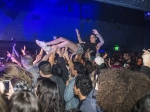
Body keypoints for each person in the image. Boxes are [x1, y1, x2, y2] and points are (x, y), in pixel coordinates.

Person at [35, 29, 104, 54]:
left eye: (92, 37)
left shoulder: (97, 45)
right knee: (61, 38)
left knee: (67, 43)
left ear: (95, 38)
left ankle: (50, 49)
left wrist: (97, 33)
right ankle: (45, 43)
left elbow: (102, 41)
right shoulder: (87, 43)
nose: (91, 38)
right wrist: (78, 34)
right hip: (79, 46)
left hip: (80, 50)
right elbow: (80, 41)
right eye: (90, 37)